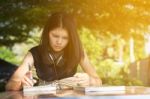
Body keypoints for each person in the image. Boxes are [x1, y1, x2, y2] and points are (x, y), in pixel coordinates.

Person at [5, 12, 102, 91]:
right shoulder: (34, 54)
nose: (59, 42)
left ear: (71, 38)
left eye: (65, 38)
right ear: (47, 33)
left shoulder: (77, 52)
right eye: (55, 36)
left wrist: (90, 80)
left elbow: (98, 81)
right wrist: (20, 83)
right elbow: (9, 86)